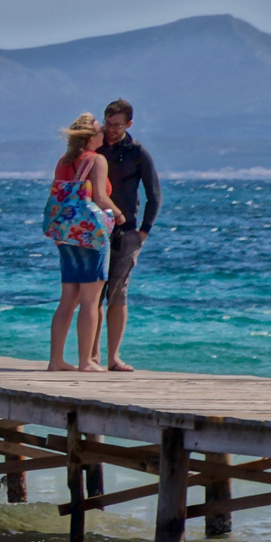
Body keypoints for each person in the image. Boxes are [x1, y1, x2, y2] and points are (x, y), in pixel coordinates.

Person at [47, 113, 120, 372]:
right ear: (91, 137)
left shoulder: (63, 161)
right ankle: (86, 361)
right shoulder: (97, 160)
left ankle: (55, 360)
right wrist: (120, 214)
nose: (104, 135)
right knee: (91, 299)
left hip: (65, 233)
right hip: (91, 235)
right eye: (100, 131)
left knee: (68, 298)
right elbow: (100, 197)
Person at [96, 98, 160, 371]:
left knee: (118, 293)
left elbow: (153, 194)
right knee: (93, 294)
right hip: (95, 230)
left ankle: (113, 357)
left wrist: (143, 231)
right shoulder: (94, 147)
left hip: (127, 230)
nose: (111, 129)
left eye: (117, 125)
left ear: (129, 124)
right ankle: (91, 357)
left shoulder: (137, 152)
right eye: (108, 124)